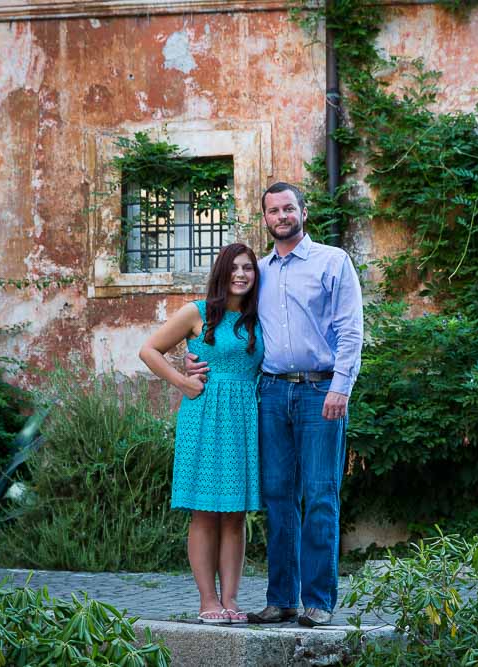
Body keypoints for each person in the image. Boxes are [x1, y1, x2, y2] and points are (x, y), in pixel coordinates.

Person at [187, 182, 363, 627]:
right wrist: (193, 358)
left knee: (320, 493)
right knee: (278, 497)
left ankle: (318, 601)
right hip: (271, 393)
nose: (282, 216)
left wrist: (341, 386)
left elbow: (350, 330)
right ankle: (282, 598)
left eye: (289, 208)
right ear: (265, 219)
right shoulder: (259, 272)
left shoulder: (332, 262)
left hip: (321, 392)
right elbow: (224, 323)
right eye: (273, 211)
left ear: (303, 212)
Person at [139, 242, 264, 625]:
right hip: (205, 414)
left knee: (236, 515)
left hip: (245, 417)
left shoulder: (259, 317)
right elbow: (149, 350)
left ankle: (230, 600)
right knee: (206, 512)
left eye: (248, 268)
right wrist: (182, 380)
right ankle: (207, 600)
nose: (241, 275)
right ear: (221, 273)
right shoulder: (197, 312)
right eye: (233, 268)